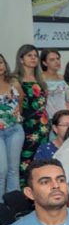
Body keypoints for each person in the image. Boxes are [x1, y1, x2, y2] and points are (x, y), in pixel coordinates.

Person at [14, 45, 49, 178]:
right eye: (30, 55)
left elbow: (43, 102)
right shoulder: (15, 79)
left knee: (42, 158)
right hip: (26, 124)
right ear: (21, 59)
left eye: (35, 56)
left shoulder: (40, 79)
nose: (34, 58)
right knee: (25, 159)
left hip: (43, 125)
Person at [0, 54, 25, 195]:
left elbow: (20, 103)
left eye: (1, 62)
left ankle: (15, 208)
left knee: (13, 169)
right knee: (1, 170)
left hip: (15, 129)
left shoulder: (13, 83)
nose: (0, 66)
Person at [40, 49, 69, 119]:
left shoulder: (62, 77)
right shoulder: (40, 78)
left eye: (58, 59)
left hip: (65, 115)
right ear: (44, 63)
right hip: (49, 117)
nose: (57, 62)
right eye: (52, 60)